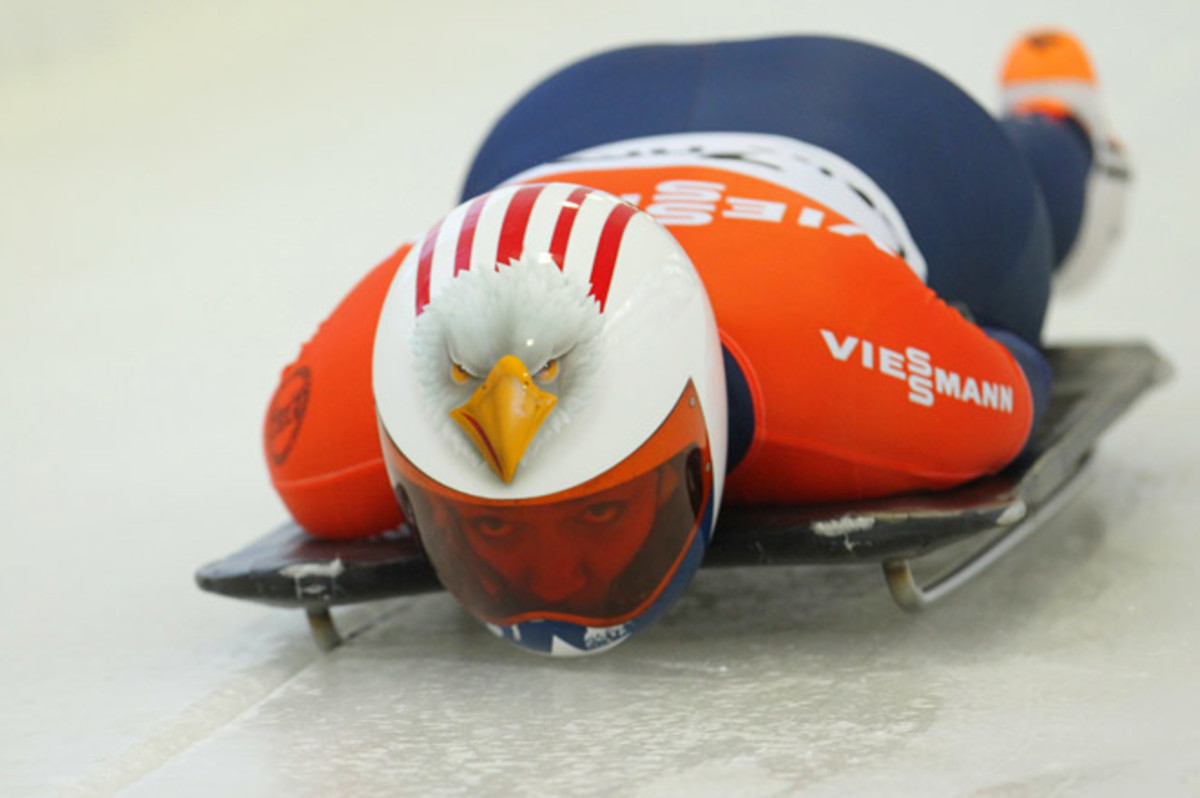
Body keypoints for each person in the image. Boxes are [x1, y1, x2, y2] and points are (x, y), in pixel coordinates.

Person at [261, 30, 1128, 654]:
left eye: (602, 511)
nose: (559, 581)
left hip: (882, 123)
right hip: (577, 118)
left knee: (1030, 232)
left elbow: (1015, 380)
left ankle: (1056, 120)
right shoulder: (354, 404)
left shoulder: (836, 355)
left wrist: (955, 339)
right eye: (484, 528)